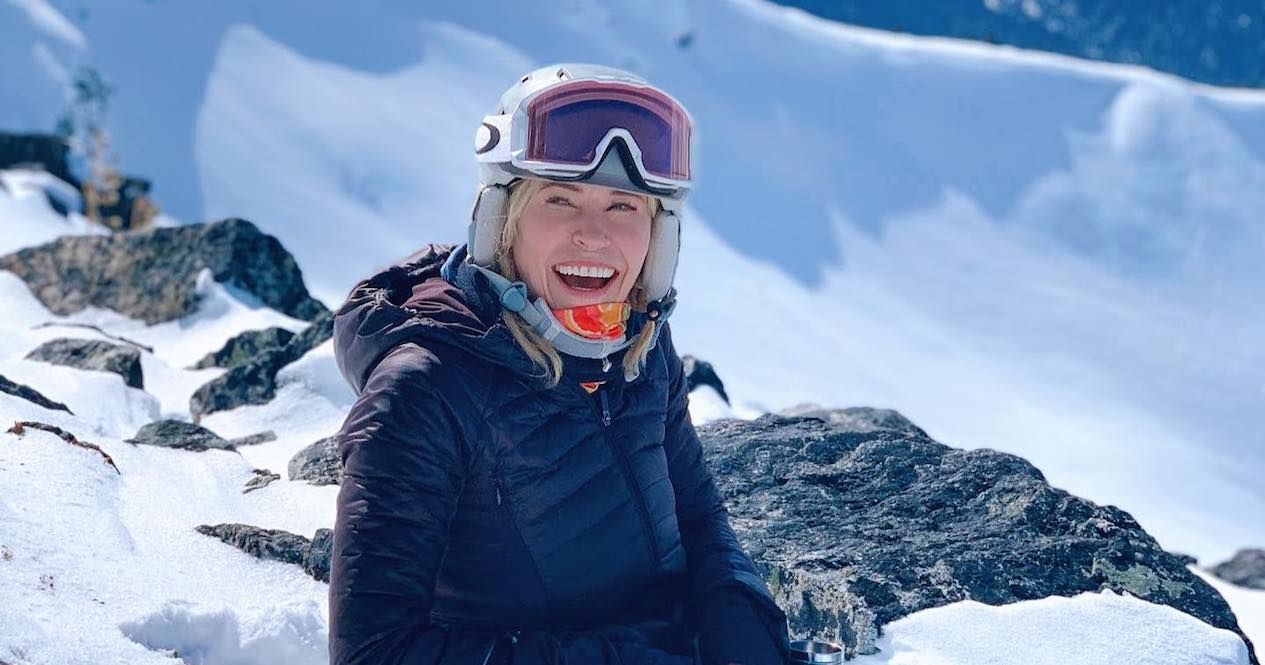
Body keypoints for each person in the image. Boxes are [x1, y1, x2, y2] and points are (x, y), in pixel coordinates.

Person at [328, 63, 790, 665]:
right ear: (503, 220)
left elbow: (699, 516)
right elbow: (375, 654)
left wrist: (738, 608)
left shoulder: (639, 347)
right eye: (560, 200)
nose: (593, 235)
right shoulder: (426, 390)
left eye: (624, 206)